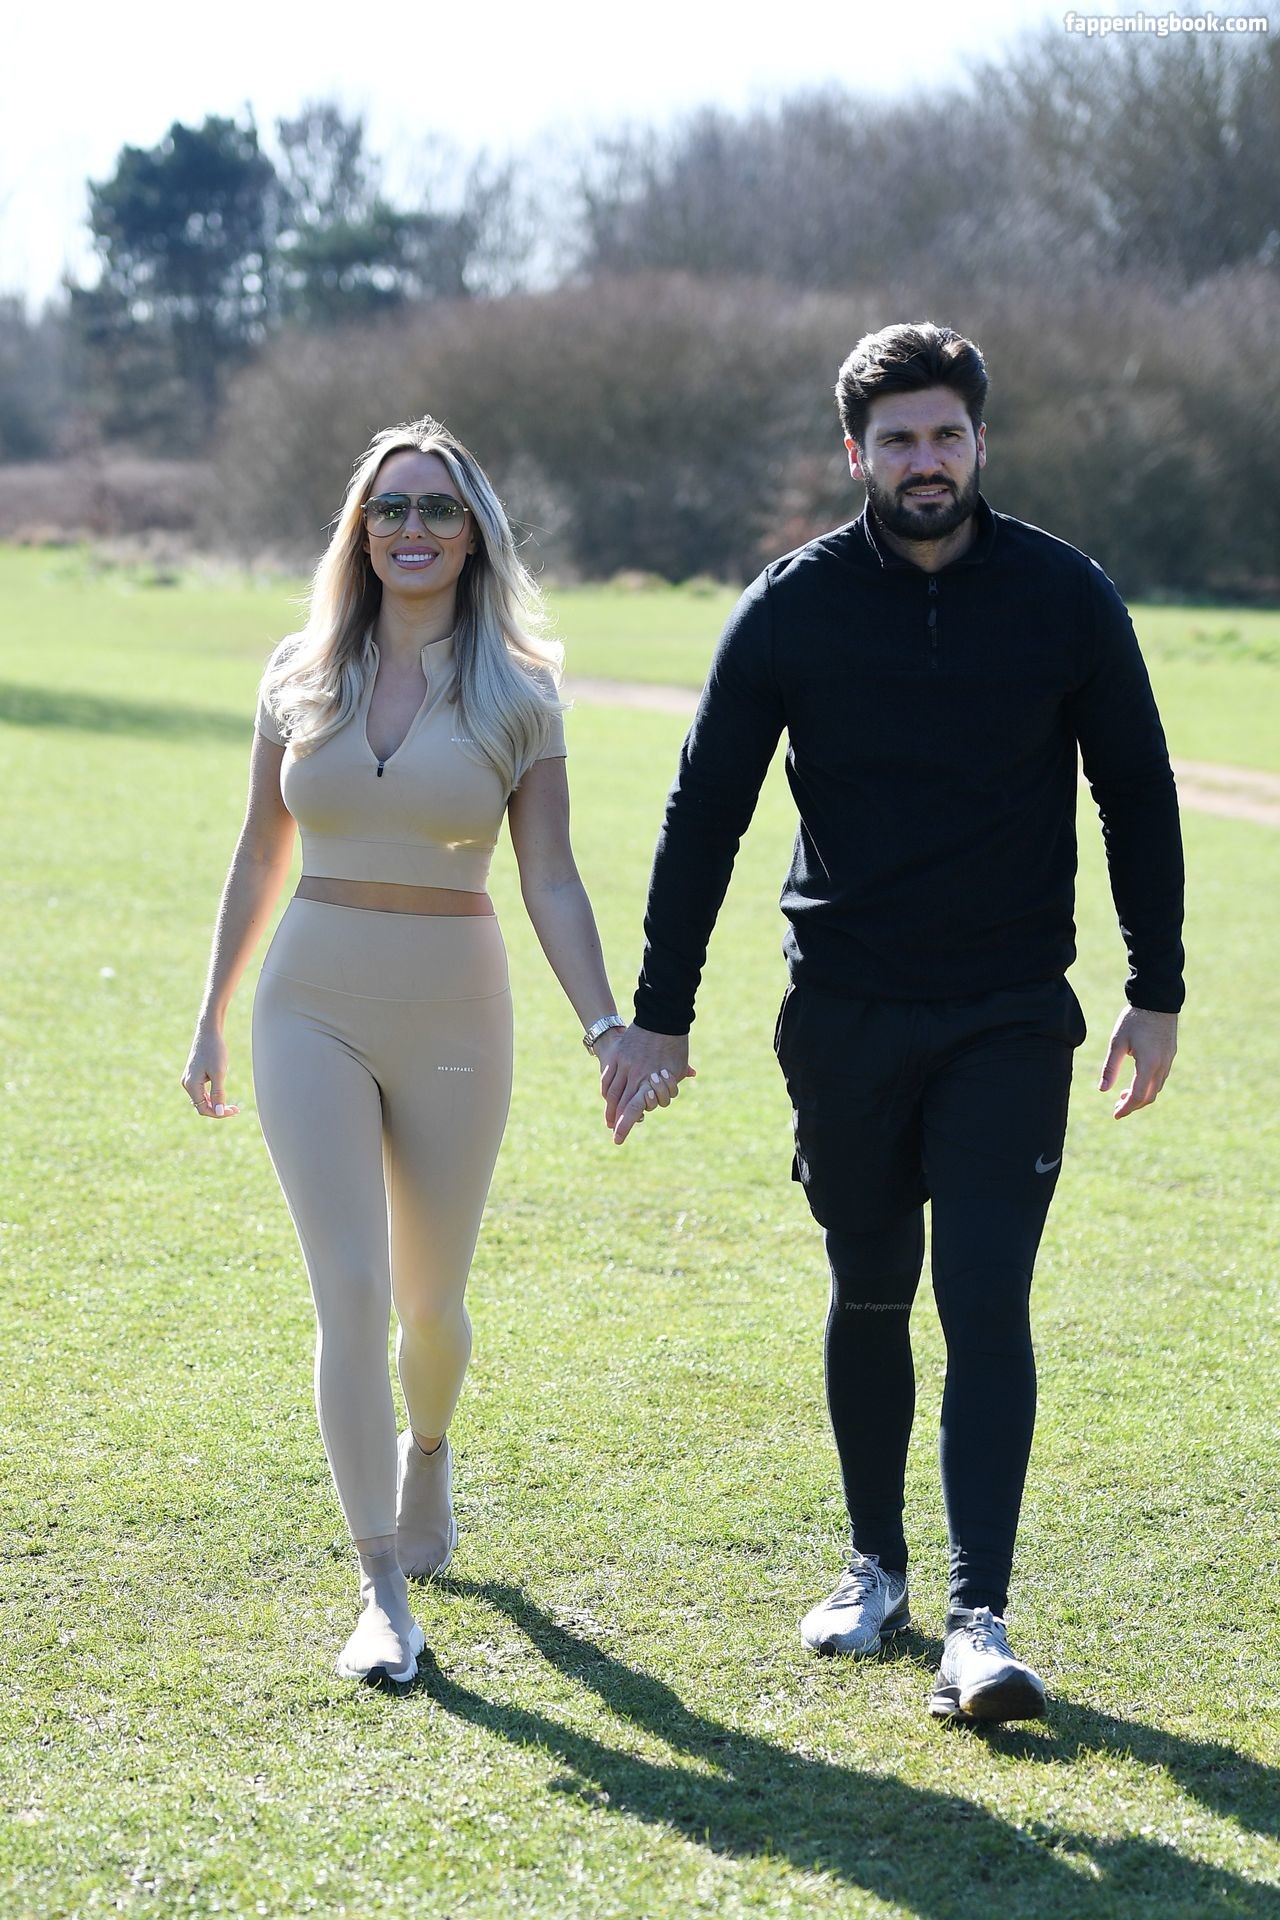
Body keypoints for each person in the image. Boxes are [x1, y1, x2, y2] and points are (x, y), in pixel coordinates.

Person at [602, 323, 1183, 1723]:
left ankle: (980, 1623)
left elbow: (1137, 792)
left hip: (1006, 1013)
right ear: (855, 453)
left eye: (946, 435)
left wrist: (1153, 989)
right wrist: (661, 1015)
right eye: (898, 439)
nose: (926, 461)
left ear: (981, 442)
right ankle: (876, 1568)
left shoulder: (1063, 596)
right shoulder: (792, 606)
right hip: (845, 1012)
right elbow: (704, 811)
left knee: (984, 1297)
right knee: (869, 1285)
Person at [182, 418, 674, 1686]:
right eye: (390, 508)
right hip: (308, 1004)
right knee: (347, 1291)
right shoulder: (298, 671)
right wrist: (212, 1012)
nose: (412, 528)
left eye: (437, 510)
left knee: (427, 1307)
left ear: (473, 536)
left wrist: (605, 1024)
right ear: (360, 532)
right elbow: (257, 850)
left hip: (458, 1011)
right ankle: (379, 1589)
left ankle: (431, 1450)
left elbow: (550, 875)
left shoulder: (521, 689)